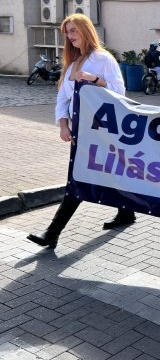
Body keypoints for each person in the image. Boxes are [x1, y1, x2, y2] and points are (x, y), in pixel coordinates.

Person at [27, 14, 136, 249]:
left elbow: (120, 92)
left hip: (101, 129)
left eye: (74, 30)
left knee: (78, 178)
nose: (70, 36)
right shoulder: (72, 61)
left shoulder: (103, 59)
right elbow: (62, 98)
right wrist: (63, 124)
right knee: (109, 172)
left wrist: (96, 79)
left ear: (86, 31)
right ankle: (127, 212)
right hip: (80, 130)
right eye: (67, 32)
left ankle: (52, 232)